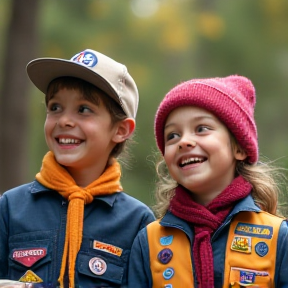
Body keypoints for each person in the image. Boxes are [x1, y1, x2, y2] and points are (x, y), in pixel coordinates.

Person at [0, 49, 155, 288]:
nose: (64, 120)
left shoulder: (137, 222)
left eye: (83, 109)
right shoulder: (10, 208)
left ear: (121, 130)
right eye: (55, 107)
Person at [128, 75, 288, 288]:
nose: (184, 141)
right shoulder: (149, 242)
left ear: (239, 148)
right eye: (173, 135)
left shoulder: (278, 237)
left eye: (202, 128)